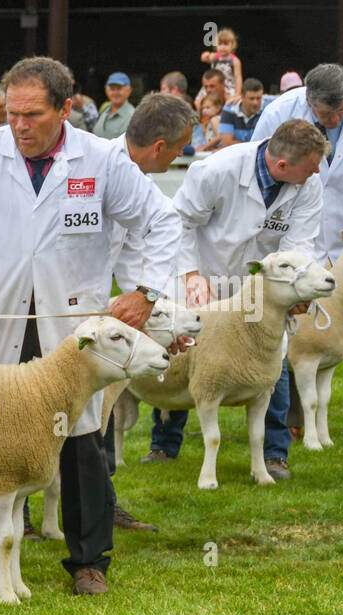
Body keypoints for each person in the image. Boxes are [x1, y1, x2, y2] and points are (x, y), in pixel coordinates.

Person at [0, 56, 179, 597]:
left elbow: (160, 219)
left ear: (65, 109)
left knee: (81, 434)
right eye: (11, 113)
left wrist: (147, 292)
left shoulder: (103, 160)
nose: (18, 125)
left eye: (32, 114)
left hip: (72, 324)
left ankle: (89, 560)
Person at [146, 122, 329, 478]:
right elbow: (179, 221)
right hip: (205, 274)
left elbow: (300, 242)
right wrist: (190, 274)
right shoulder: (217, 170)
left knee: (270, 354)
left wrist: (296, 287)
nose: (317, 172)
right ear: (281, 166)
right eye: (310, 166)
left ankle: (274, 454)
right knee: (186, 347)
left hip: (264, 284)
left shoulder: (308, 183)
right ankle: (165, 443)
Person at [252, 62, 343, 446]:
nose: (335, 118)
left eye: (341, 110)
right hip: (295, 231)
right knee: (295, 329)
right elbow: (261, 173)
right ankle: (291, 420)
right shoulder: (279, 113)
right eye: (325, 114)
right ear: (307, 100)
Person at [103, 91, 198, 532]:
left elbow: (135, 258)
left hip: (100, 310)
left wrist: (161, 315)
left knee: (95, 415)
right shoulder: (108, 166)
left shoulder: (132, 180)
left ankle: (99, 506)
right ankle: (24, 515)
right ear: (160, 146)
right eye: (180, 147)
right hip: (50, 307)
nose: (182, 155)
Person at [200, 28, 243, 103]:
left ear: (233, 46)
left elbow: (238, 77)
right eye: (220, 44)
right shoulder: (215, 57)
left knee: (230, 99)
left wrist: (238, 93)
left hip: (228, 86)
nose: (222, 47)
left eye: (226, 44)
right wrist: (207, 55)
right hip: (212, 85)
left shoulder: (234, 60)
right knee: (199, 99)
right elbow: (203, 58)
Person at [219, 77, 265, 146]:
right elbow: (227, 143)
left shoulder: (267, 108)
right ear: (242, 97)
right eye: (251, 99)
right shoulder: (229, 110)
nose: (256, 102)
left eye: (258, 98)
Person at [93, 72, 134, 140]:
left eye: (119, 88)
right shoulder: (104, 111)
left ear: (129, 90)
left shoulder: (133, 117)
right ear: (106, 91)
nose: (115, 93)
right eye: (112, 89)